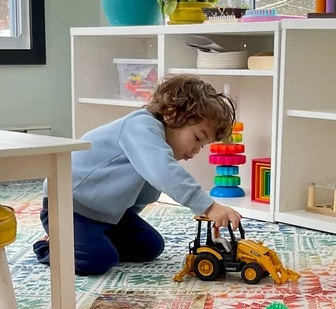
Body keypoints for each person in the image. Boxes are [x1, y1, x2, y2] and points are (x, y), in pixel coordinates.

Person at [34, 75, 242, 276]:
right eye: (197, 138)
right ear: (172, 114)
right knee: (97, 259)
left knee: (150, 246)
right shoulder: (141, 127)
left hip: (108, 215)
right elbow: (163, 171)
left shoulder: (158, 147)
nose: (197, 149)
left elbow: (137, 195)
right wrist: (208, 206)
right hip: (69, 206)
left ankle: (85, 239)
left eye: (202, 145)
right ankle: (51, 245)